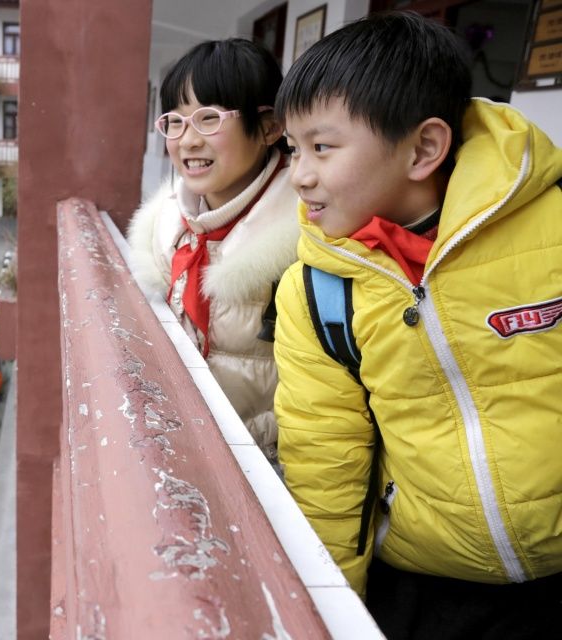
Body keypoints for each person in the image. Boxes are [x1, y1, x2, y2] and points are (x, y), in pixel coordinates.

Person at [272, 11, 562, 638]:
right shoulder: (318, 291)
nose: (300, 174)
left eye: (322, 147)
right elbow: (326, 465)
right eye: (292, 148)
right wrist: (330, 614)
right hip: (424, 590)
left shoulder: (552, 231)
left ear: (424, 149)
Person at [126, 38, 299, 461]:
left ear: (269, 127)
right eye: (175, 121)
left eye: (208, 119)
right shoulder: (166, 228)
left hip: (268, 462)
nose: (187, 141)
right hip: (186, 446)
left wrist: (258, 445)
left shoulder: (305, 239)